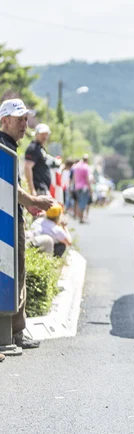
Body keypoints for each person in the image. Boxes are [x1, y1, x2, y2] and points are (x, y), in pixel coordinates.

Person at [0, 98, 54, 350]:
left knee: (18, 272)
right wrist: (35, 200)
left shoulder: (9, 145)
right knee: (12, 272)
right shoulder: (3, 147)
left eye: (25, 119)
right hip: (6, 225)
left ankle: (16, 332)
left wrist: (28, 204)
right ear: (4, 121)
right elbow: (11, 186)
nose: (24, 123)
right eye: (19, 119)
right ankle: (10, 334)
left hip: (12, 219)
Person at [24, 123, 58, 196]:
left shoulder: (40, 149)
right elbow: (27, 167)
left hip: (44, 188)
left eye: (46, 134)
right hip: (38, 189)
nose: (45, 136)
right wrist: (32, 189)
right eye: (42, 134)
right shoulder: (33, 148)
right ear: (36, 134)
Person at [71, 154, 92, 223]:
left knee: (79, 201)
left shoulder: (76, 166)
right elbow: (87, 179)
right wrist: (90, 188)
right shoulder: (86, 167)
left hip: (77, 186)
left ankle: (79, 216)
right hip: (84, 187)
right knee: (83, 202)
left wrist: (73, 186)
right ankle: (81, 218)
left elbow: (74, 177)